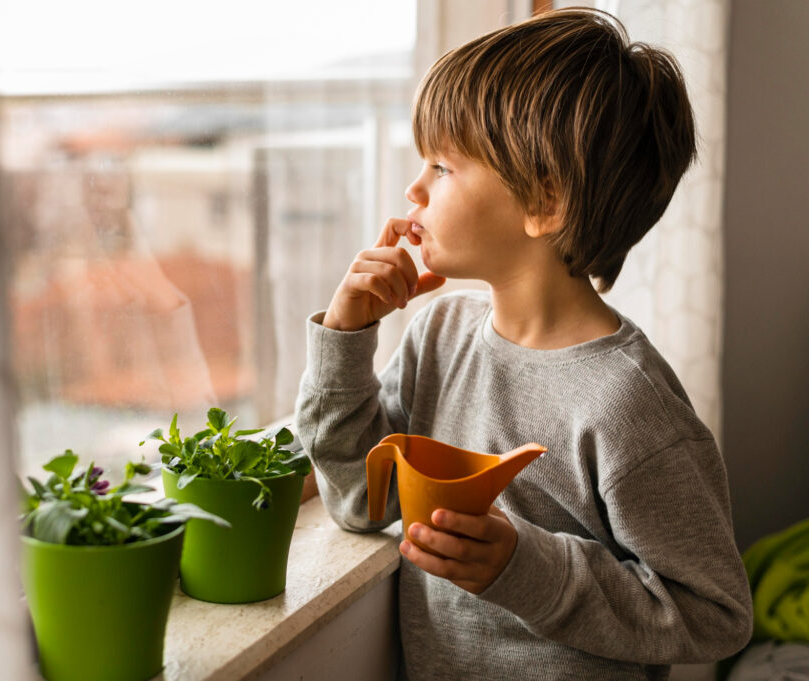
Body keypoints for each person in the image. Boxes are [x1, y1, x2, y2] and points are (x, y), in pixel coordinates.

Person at [294, 8, 753, 680]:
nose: (413, 189)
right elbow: (361, 499)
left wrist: (527, 568)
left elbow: (715, 613)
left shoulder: (629, 404)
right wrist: (345, 338)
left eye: (442, 166)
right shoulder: (439, 335)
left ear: (546, 199)